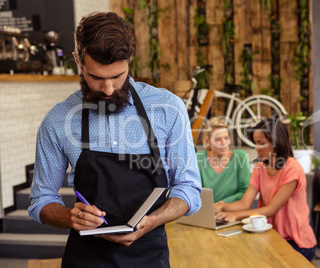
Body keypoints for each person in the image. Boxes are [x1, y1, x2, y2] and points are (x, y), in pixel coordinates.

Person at [28, 12, 201, 267]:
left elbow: (188, 187)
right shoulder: (57, 120)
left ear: (130, 60)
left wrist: (152, 220)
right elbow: (41, 199)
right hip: (86, 258)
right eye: (96, 78)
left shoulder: (167, 108)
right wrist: (70, 217)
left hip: (149, 256)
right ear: (78, 60)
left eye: (118, 76)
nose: (108, 89)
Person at [215, 118, 316, 261]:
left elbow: (271, 209)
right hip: (271, 237)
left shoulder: (292, 169)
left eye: (261, 143)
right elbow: (245, 203)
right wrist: (220, 207)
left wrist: (236, 215)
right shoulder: (260, 168)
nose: (257, 148)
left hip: (297, 243)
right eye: (256, 143)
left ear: (277, 142)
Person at [196, 117, 250, 203]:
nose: (223, 143)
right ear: (207, 141)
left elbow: (245, 192)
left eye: (226, 138)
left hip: (235, 211)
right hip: (208, 212)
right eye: (217, 139)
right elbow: (195, 193)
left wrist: (223, 203)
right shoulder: (198, 159)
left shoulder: (240, 156)